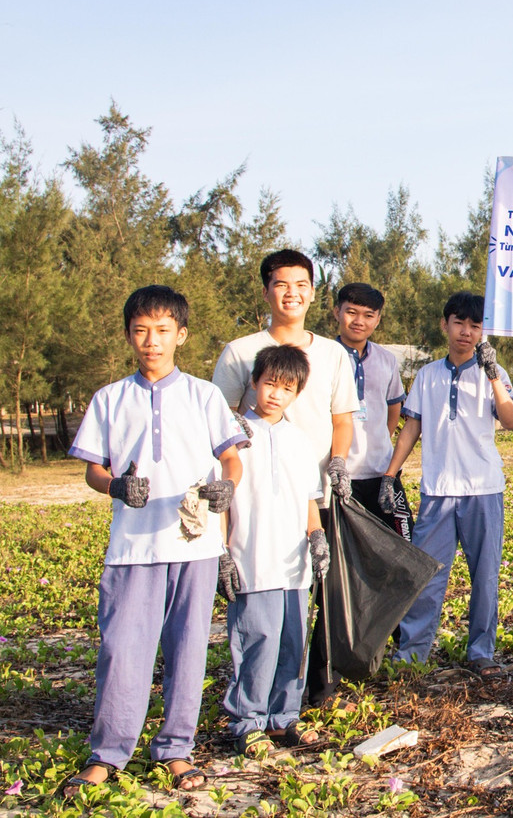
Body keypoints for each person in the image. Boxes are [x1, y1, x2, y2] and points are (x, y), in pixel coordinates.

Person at [63, 286, 247, 796]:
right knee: (123, 651)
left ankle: (175, 750)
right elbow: (93, 471)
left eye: (163, 330)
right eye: (141, 330)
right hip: (133, 548)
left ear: (181, 335)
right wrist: (115, 485)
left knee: (188, 651)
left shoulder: (204, 395)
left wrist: (227, 484)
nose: (152, 340)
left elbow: (231, 456)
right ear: (129, 335)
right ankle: (108, 753)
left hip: (194, 545)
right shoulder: (109, 399)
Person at [211, 249, 357, 707]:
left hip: (312, 496)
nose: (291, 293)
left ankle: (304, 696)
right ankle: (250, 707)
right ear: (266, 291)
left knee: (309, 601)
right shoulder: (239, 352)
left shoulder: (333, 354)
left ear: (313, 293)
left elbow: (342, 419)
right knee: (258, 603)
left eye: (300, 285)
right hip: (252, 499)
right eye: (281, 284)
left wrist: (337, 461)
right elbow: (217, 423)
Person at [384, 292, 513, 674]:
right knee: (426, 575)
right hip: (438, 492)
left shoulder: (496, 373)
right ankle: (412, 655)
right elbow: (413, 425)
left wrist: (492, 374)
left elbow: (510, 420)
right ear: (445, 325)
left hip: (483, 489)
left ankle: (481, 652)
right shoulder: (427, 375)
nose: (466, 332)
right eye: (459, 323)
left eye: (475, 326)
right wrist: (390, 473)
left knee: (485, 576)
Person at [221, 345, 329, 757]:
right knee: (256, 639)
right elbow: (222, 501)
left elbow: (308, 498)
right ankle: (247, 720)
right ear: (253, 382)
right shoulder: (232, 436)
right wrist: (222, 553)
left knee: (292, 640)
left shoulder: (299, 440)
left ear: (297, 393)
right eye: (269, 384)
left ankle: (284, 718)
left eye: (286, 388)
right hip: (251, 557)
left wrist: (316, 538)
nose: (275, 395)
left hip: (293, 563)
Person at [332, 283, 412, 539]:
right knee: (347, 552)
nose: (359, 321)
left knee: (398, 543)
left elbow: (393, 408)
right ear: (337, 312)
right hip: (338, 475)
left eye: (368, 315)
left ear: (378, 319)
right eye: (351, 312)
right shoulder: (322, 356)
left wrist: (380, 440)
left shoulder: (386, 359)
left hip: (381, 472)